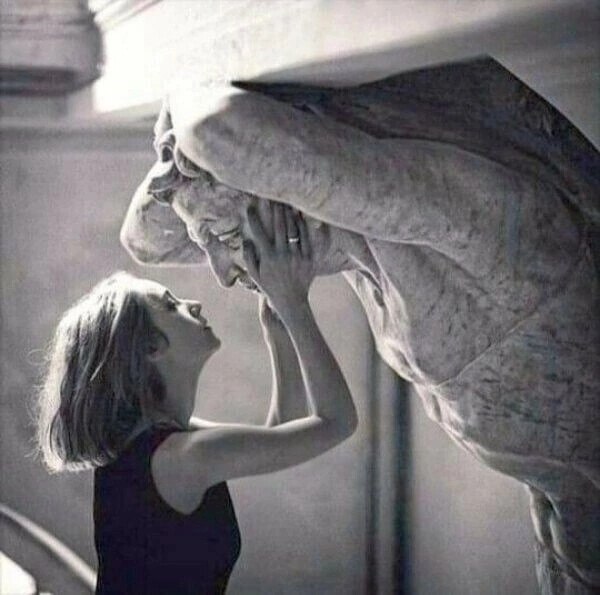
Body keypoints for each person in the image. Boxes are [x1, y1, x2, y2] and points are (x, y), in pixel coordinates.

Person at [120, 66, 599, 593]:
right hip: (567, 518)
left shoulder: (459, 212)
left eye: (223, 236)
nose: (221, 274)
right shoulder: (361, 251)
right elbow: (150, 240)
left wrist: (179, 96)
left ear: (282, 188)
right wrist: (288, 302)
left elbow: (212, 137)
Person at [36, 204, 358, 594]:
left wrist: (279, 330)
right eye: (170, 305)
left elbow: (281, 432)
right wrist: (295, 304)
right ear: (152, 347)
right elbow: (338, 422)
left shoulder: (163, 444)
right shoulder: (183, 456)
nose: (194, 304)